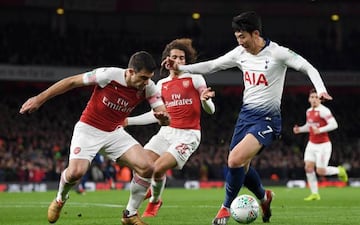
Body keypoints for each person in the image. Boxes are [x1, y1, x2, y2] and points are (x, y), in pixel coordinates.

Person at [162, 11, 333, 225]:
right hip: (245, 116)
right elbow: (213, 65)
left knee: (234, 160)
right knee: (240, 166)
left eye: (243, 36)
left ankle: (224, 208)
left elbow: (308, 67)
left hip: (268, 119)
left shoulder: (278, 53)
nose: (240, 42)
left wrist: (321, 89)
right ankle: (264, 197)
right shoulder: (239, 53)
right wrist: (181, 68)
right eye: (237, 37)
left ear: (255, 33)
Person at [19, 51, 170, 225]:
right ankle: (60, 198)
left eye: (149, 78)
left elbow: (162, 113)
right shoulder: (108, 75)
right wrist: (39, 99)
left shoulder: (149, 87)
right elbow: (71, 81)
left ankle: (130, 214)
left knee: (147, 167)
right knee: (76, 172)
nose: (146, 82)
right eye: (143, 77)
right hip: (89, 129)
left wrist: (165, 119)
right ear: (130, 72)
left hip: (114, 132)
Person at [124, 38, 215, 217]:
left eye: (182, 58)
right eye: (174, 57)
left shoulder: (195, 78)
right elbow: (156, 115)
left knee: (157, 169)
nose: (178, 61)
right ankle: (152, 193)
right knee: (142, 165)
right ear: (167, 60)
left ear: (186, 61)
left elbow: (210, 110)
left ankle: (155, 201)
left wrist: (205, 101)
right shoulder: (161, 85)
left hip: (188, 135)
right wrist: (129, 121)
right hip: (165, 133)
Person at [293, 89, 348, 201]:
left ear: (320, 100)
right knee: (308, 167)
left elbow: (334, 124)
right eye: (312, 97)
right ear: (309, 99)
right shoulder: (308, 111)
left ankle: (339, 170)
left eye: (316, 97)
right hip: (311, 143)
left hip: (323, 145)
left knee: (320, 171)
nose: (314, 99)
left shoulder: (324, 111)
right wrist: (300, 129)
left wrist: (320, 129)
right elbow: (310, 126)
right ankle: (315, 194)